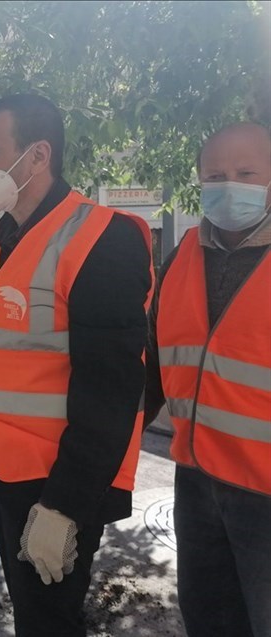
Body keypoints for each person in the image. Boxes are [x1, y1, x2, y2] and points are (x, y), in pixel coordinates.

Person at [0, 94, 153, 636]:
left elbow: (111, 388)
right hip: (4, 473)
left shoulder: (103, 237)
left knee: (49, 626)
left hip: (58, 482)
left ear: (37, 156)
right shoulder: (0, 244)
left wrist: (64, 507)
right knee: (34, 620)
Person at [144, 122, 271, 637]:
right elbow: (152, 361)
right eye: (215, 174)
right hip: (196, 483)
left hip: (265, 495)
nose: (228, 184)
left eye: (246, 173)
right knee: (209, 619)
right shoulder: (183, 257)